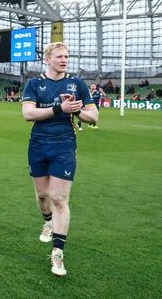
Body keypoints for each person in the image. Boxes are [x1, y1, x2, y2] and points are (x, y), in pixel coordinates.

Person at [21, 42, 98, 277]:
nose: (64, 60)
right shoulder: (34, 84)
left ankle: (57, 254)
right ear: (47, 59)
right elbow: (28, 114)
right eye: (59, 56)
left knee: (59, 198)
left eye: (66, 56)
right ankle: (47, 220)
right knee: (43, 195)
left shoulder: (77, 84)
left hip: (64, 146)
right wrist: (59, 109)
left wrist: (76, 111)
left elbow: (93, 117)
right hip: (38, 145)